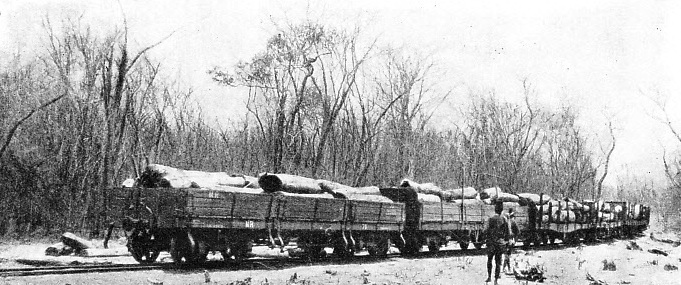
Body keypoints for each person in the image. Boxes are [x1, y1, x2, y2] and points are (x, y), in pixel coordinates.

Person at [485, 201, 508, 284]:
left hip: (491, 243)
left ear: (495, 209)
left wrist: (487, 238)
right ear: (501, 210)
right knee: (498, 262)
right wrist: (506, 241)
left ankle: (489, 277)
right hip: (500, 243)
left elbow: (485, 230)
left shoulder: (490, 219)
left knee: (489, 260)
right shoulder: (504, 219)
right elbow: (508, 232)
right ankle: (496, 280)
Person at [503, 208, 520, 275]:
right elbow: (518, 232)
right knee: (508, 254)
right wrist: (515, 239)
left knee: (506, 254)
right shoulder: (513, 222)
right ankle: (508, 268)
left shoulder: (505, 222)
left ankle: (505, 268)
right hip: (510, 240)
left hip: (505, 240)